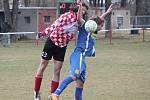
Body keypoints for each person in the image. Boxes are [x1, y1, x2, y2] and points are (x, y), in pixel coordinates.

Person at [50, 3, 113, 100]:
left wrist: (107, 12)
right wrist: (80, 5)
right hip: (78, 54)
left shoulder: (94, 30)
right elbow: (80, 18)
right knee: (74, 75)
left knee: (80, 83)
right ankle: (55, 94)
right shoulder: (86, 26)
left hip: (82, 58)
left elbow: (98, 20)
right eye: (102, 25)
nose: (102, 27)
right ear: (96, 25)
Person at [33, 1, 89, 100]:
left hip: (62, 47)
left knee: (57, 71)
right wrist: (42, 34)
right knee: (42, 67)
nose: (83, 12)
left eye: (84, 11)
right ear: (77, 9)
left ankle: (53, 96)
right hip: (51, 42)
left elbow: (88, 28)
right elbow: (54, 26)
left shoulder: (80, 23)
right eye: (82, 10)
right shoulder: (66, 16)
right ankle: (36, 92)